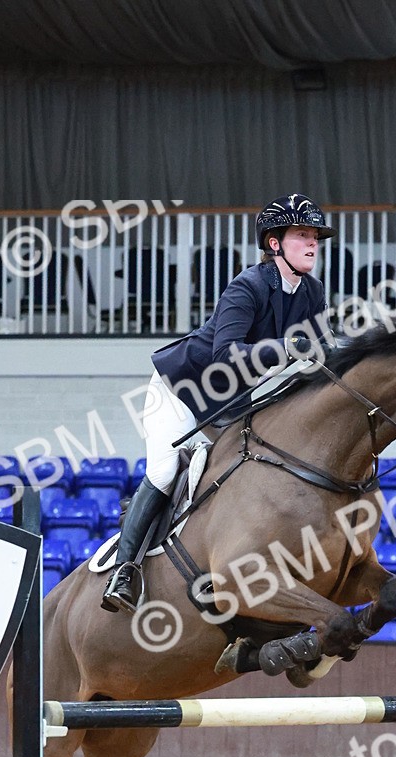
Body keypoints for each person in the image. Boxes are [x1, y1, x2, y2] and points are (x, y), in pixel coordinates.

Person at [102, 193, 335, 613]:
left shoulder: (311, 292)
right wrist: (286, 347)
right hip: (182, 391)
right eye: (302, 234)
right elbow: (225, 355)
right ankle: (125, 571)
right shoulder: (247, 286)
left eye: (315, 235)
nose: (313, 242)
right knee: (163, 470)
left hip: (231, 403)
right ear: (275, 243)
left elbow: (324, 351)